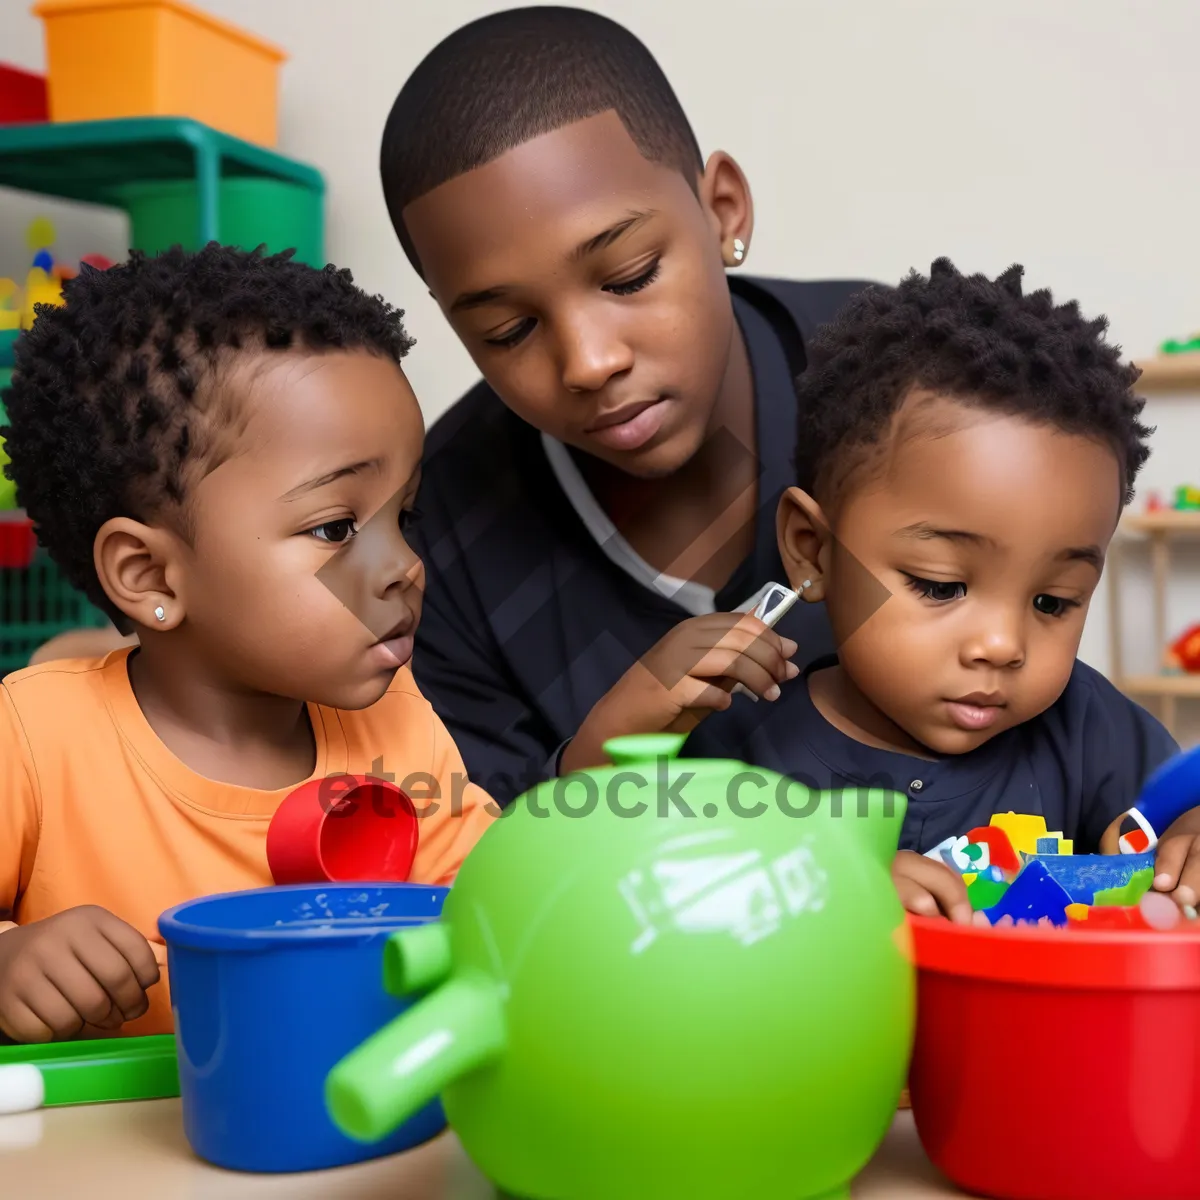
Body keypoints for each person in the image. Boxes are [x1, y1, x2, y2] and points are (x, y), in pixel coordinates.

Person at [377, 6, 878, 804]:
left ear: (723, 212)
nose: (589, 362)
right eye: (509, 330)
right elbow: (473, 860)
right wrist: (593, 763)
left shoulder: (903, 384)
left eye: (629, 276)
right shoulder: (430, 544)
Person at [0, 245, 497, 1043]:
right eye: (338, 527)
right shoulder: (33, 739)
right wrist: (8, 961)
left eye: (405, 515)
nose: (404, 566)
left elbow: (490, 915)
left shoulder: (400, 727)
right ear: (151, 576)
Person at [701, 256, 1200, 920]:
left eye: (1052, 602)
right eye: (941, 587)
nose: (1002, 644)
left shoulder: (1088, 731)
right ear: (812, 550)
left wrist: (1187, 842)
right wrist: (820, 880)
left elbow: (1176, 811)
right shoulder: (735, 743)